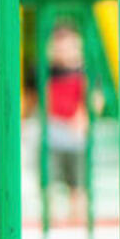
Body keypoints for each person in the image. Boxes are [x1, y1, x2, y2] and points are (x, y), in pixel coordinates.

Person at [42, 21, 90, 224]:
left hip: (74, 131)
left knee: (78, 181)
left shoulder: (84, 72)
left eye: (68, 45)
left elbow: (92, 98)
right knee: (49, 178)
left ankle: (77, 217)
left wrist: (83, 116)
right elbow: (35, 97)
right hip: (53, 128)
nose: (63, 51)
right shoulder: (45, 71)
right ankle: (51, 218)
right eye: (58, 46)